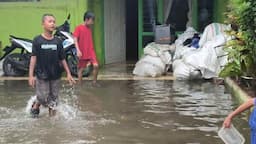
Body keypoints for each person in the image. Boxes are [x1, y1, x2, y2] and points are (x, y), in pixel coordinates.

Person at [29, 13, 76, 117]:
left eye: (54, 22)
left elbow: (63, 59)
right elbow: (33, 57)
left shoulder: (58, 41)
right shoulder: (37, 40)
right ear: (43, 24)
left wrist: (68, 73)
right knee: (43, 97)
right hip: (42, 74)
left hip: (55, 74)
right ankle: (36, 104)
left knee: (54, 99)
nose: (52, 24)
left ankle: (52, 121)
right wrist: (31, 75)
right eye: (50, 21)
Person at [73, 11, 99, 85]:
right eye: (92, 20)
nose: (93, 23)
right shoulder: (79, 28)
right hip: (82, 52)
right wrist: (78, 50)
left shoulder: (89, 29)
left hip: (90, 51)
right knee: (81, 69)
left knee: (96, 65)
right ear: (86, 19)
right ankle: (80, 84)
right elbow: (75, 39)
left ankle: (94, 82)